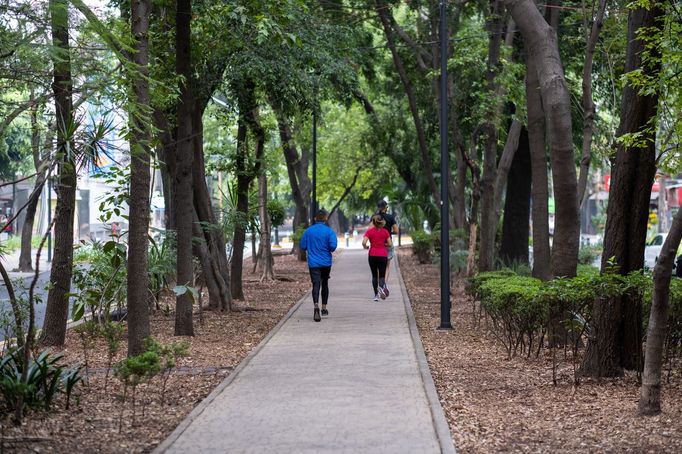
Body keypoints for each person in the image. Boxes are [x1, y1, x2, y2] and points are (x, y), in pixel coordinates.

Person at [300, 209, 338, 322]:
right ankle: (324, 308)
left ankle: (316, 305)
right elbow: (333, 247)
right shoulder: (329, 232)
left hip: (313, 263)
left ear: (315, 218)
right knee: (325, 283)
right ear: (326, 218)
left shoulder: (308, 231)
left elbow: (302, 246)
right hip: (326, 262)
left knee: (316, 284)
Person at [363, 214, 393, 301]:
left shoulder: (369, 231)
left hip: (372, 255)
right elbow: (390, 244)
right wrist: (383, 244)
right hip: (382, 255)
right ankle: (381, 288)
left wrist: (366, 247)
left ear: (373, 222)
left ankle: (376, 295)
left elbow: (364, 242)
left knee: (374, 275)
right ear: (382, 222)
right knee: (382, 275)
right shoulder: (385, 232)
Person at [375, 200, 398, 290]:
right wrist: (389, 233)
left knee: (377, 266)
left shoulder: (375, 217)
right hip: (388, 244)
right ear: (386, 207)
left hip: (377, 244)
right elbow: (396, 231)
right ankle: (383, 284)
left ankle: (378, 282)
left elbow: (370, 230)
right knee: (387, 265)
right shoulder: (390, 217)